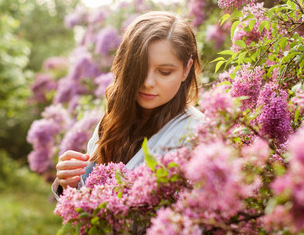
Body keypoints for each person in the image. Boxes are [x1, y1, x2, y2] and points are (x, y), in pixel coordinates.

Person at [52, 11, 205, 200]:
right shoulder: (112, 119)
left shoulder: (196, 133)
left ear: (186, 69)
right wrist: (69, 185)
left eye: (164, 72)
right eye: (139, 68)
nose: (148, 82)